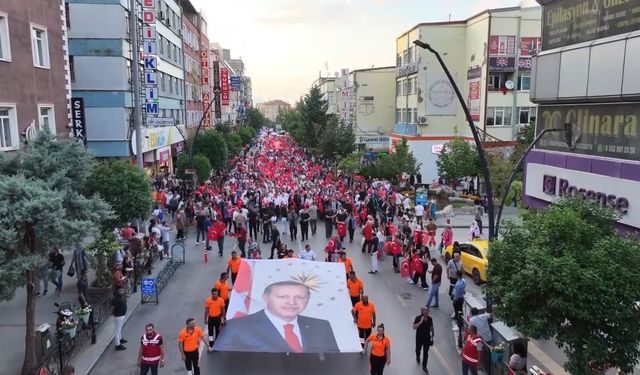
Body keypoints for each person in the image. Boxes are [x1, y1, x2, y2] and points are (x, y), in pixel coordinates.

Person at [213, 281, 339, 353]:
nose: (292, 302)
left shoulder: (321, 326)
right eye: (283, 297)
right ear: (265, 297)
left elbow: (333, 359)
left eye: (300, 297)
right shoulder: (238, 327)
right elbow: (225, 362)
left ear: (308, 300)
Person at [413, 307, 434, 375]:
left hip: (427, 339)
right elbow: (414, 327)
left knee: (426, 353)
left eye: (427, 313)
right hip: (419, 338)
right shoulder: (418, 318)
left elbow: (431, 327)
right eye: (424, 313)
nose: (425, 314)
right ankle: (418, 356)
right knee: (418, 349)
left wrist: (432, 337)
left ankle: (424, 367)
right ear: (421, 312)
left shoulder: (430, 319)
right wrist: (420, 322)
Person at [111, 286, 127, 351]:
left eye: (122, 290)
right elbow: (112, 307)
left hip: (122, 314)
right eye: (120, 291)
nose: (121, 292)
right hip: (118, 315)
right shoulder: (115, 299)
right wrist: (113, 313)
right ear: (117, 291)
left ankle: (120, 339)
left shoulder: (122, 296)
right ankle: (117, 344)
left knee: (120, 328)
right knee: (117, 330)